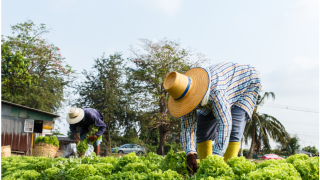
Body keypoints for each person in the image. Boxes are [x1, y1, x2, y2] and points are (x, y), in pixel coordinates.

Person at [163, 62, 261, 175]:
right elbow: (187, 128)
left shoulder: (216, 91)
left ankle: (224, 173)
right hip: (221, 88)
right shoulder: (182, 92)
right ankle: (206, 172)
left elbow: (224, 123)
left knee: (234, 126)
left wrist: (217, 157)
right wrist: (190, 154)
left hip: (246, 83)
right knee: (202, 127)